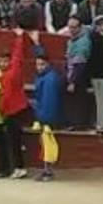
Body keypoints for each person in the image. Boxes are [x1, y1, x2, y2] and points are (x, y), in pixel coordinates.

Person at [0, 28, 33, 179]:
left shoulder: (8, 76)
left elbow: (6, 96)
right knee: (16, 140)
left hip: (11, 111)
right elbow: (18, 56)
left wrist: (0, 109)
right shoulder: (13, 69)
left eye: (5, 61)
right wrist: (19, 37)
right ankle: (19, 166)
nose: (3, 63)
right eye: (1, 61)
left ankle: (19, 167)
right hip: (19, 107)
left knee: (13, 141)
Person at [32, 44, 65, 181]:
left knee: (47, 144)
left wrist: (43, 119)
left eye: (42, 64)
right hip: (44, 114)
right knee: (46, 144)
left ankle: (48, 172)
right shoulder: (47, 76)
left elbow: (48, 102)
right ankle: (47, 170)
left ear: (47, 64)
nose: (39, 67)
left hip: (47, 117)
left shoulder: (49, 79)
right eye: (37, 64)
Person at [63, 15, 92, 130]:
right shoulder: (73, 39)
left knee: (78, 99)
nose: (71, 30)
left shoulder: (83, 42)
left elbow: (80, 65)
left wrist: (72, 81)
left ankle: (79, 124)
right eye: (70, 27)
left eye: (74, 27)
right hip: (73, 72)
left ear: (80, 27)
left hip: (79, 75)